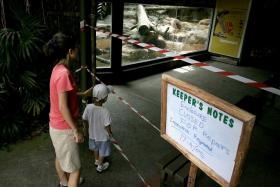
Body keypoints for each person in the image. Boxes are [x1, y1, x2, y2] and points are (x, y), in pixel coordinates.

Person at [44, 32, 84, 187]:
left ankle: (63, 182)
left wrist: (82, 94)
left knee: (60, 157)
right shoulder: (64, 74)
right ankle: (69, 181)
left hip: (55, 125)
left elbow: (64, 97)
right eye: (76, 48)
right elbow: (63, 106)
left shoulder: (57, 69)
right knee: (75, 170)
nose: (78, 51)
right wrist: (75, 130)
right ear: (70, 51)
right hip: (64, 127)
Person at [82, 83, 113, 173]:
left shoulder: (88, 107)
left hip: (92, 135)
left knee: (95, 149)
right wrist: (110, 133)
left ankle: (96, 160)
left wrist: (85, 129)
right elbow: (107, 125)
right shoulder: (105, 111)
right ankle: (100, 166)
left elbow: (84, 119)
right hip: (103, 137)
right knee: (102, 151)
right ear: (105, 98)